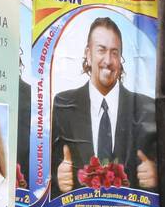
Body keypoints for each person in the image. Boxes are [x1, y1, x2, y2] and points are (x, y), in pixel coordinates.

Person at [50, 16, 157, 194]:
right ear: (88, 54)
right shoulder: (63, 105)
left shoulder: (145, 108)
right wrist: (57, 177)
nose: (108, 60)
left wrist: (156, 174)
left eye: (114, 52)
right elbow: (44, 171)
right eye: (101, 50)